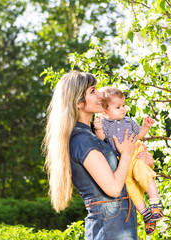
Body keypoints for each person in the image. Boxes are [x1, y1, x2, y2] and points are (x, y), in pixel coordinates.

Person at [43, 70, 154, 239]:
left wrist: (140, 163)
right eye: (93, 91)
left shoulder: (96, 135)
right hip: (109, 230)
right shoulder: (82, 140)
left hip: (120, 226)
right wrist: (126, 154)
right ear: (79, 102)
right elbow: (114, 188)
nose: (100, 94)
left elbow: (122, 179)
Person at [93, 87, 163, 235]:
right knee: (131, 188)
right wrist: (98, 129)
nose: (123, 109)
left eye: (123, 105)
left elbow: (139, 135)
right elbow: (101, 138)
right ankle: (146, 215)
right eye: (118, 107)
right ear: (105, 111)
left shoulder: (129, 121)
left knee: (144, 173)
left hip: (135, 154)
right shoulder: (104, 124)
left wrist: (146, 126)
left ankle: (155, 203)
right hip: (122, 161)